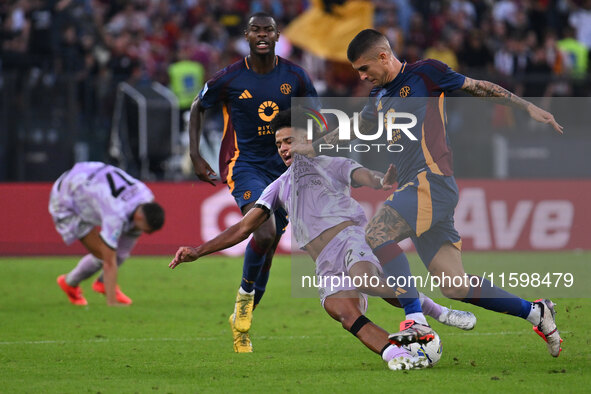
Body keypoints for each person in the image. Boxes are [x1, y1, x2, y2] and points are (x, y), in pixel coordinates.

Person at [294, 29, 563, 357]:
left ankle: (415, 319)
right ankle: (536, 312)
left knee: (377, 232)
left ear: (383, 56)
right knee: (454, 285)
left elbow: (478, 87)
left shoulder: (426, 73)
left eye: (364, 69)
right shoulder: (378, 98)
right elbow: (356, 129)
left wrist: (525, 107)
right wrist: (315, 147)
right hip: (414, 186)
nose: (362, 77)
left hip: (432, 181)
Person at [170, 109, 476, 370]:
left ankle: (437, 311)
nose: (283, 148)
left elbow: (362, 175)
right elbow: (242, 229)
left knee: (367, 280)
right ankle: (396, 356)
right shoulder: (278, 186)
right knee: (343, 314)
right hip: (324, 263)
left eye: (289, 140)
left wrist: (381, 181)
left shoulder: (330, 163)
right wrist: (197, 251)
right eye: (278, 144)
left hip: (350, 238)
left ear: (306, 139)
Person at [187, 12, 318, 352]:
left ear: (277, 36)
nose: (262, 35)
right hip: (243, 163)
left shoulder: (296, 76)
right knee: (263, 231)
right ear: (246, 35)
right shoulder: (229, 78)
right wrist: (196, 156)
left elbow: (317, 117)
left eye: (268, 30)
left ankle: (243, 317)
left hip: (286, 167)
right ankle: (243, 307)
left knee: (268, 247)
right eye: (256, 30)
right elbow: (197, 107)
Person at [50, 162, 165, 306]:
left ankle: (102, 282)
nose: (149, 234)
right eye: (148, 230)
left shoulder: (146, 195)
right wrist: (112, 304)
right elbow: (109, 262)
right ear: (141, 217)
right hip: (67, 198)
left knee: (128, 238)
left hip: (90, 175)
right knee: (104, 256)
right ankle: (69, 283)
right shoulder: (115, 215)